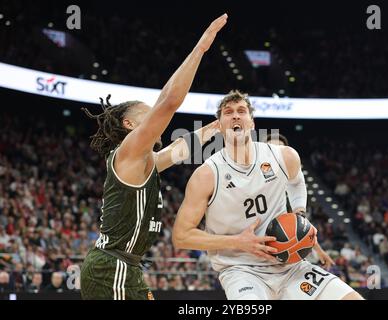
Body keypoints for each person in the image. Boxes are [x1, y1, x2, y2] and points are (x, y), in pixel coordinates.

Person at [79, 14, 228, 300]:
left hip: (124, 267)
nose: (154, 118)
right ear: (130, 125)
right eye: (146, 114)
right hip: (112, 267)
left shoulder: (144, 161)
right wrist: (201, 47)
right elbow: (169, 101)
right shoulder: (129, 152)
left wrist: (215, 127)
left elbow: (178, 150)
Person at [173, 90, 363, 300]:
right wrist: (238, 242)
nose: (235, 115)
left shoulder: (284, 156)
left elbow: (297, 180)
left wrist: (300, 214)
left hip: (290, 266)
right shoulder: (206, 175)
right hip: (241, 270)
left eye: (241, 111)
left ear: (252, 123)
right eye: (228, 112)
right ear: (219, 125)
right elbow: (181, 236)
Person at [264, 133, 334, 270]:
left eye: (281, 149)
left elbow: (299, 229)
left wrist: (318, 250)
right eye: (271, 148)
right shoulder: (251, 180)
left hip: (278, 254)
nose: (277, 153)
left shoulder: (290, 190)